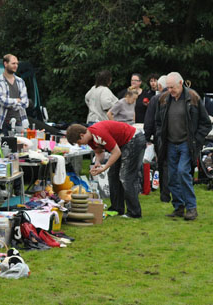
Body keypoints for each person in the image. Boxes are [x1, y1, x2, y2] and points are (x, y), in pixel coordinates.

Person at [155, 72, 211, 220]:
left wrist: (197, 140)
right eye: (168, 87)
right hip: (170, 144)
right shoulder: (164, 99)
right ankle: (179, 207)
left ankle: (191, 208)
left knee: (182, 172)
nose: (170, 90)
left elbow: (206, 123)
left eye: (172, 87)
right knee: (172, 176)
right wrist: (161, 136)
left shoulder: (193, 98)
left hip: (187, 144)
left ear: (181, 84)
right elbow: (158, 122)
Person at [66, 121, 146, 218]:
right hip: (123, 144)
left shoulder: (99, 134)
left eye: (78, 142)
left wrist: (104, 167)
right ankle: (116, 208)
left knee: (126, 177)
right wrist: (97, 163)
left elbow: (116, 153)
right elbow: (99, 152)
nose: (79, 145)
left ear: (82, 135)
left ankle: (134, 212)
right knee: (113, 175)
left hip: (134, 139)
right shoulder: (90, 138)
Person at [144, 75, 171, 202]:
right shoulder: (176, 98)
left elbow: (149, 121)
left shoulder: (156, 99)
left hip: (160, 136)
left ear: (160, 86)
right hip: (175, 136)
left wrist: (147, 137)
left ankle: (165, 194)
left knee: (163, 165)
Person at [0, 54, 29, 135]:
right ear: (5, 64)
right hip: (3, 123)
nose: (16, 66)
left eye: (17, 63)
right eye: (13, 63)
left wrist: (11, 103)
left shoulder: (20, 81)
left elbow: (25, 103)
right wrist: (17, 100)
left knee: (20, 146)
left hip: (20, 122)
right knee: (3, 146)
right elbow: (3, 101)